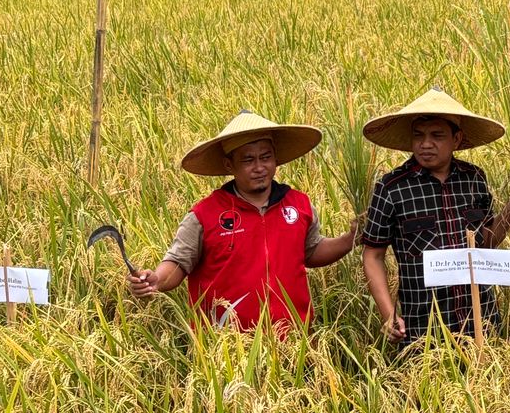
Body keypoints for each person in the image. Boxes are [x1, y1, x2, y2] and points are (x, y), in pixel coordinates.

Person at [128, 110, 358, 330]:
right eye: (248, 160)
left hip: (293, 344)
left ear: (275, 159)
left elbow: (312, 251)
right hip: (227, 349)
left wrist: (350, 239)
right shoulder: (204, 215)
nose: (259, 167)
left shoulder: (299, 205)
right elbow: (178, 262)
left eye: (265, 157)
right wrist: (156, 280)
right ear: (230, 165)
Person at [359, 88, 510, 347]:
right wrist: (388, 314)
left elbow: (486, 242)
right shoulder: (391, 187)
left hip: (481, 321)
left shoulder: (473, 178)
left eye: (437, 136)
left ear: (457, 139)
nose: (425, 144)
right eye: (418, 136)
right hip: (423, 327)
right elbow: (372, 254)